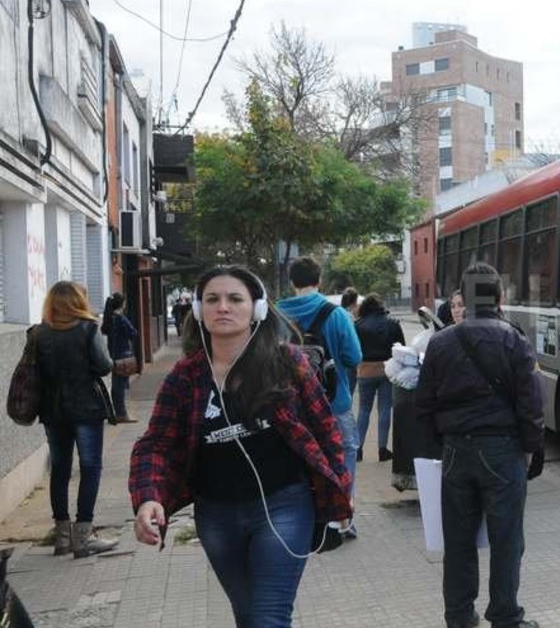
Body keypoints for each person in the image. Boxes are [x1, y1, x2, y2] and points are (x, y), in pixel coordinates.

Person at [128, 265, 351, 628]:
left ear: (257, 310)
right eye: (212, 300)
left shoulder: (287, 364)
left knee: (268, 617)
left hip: (285, 506)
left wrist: (341, 489)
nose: (223, 307)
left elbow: (326, 430)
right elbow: (156, 444)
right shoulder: (185, 378)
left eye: (235, 299)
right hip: (217, 515)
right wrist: (149, 497)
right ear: (199, 311)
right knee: (248, 617)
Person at [414, 263, 544, 628]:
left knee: (457, 541)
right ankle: (505, 616)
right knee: (507, 541)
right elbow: (531, 405)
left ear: (463, 300)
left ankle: (458, 616)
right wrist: (531, 450)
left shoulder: (440, 343)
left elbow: (423, 406)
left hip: (456, 452)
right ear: (500, 297)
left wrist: (445, 444)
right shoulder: (514, 339)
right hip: (503, 452)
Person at [32, 281, 118, 558]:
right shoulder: (88, 328)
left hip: (52, 410)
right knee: (90, 467)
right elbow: (104, 365)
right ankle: (84, 536)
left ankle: (62, 537)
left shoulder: (38, 333)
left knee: (60, 469)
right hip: (86, 407)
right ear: (77, 302)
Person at [277, 257, 362, 538]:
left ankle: (301, 518)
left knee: (297, 457)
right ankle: (341, 518)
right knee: (345, 451)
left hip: (290, 404)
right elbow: (354, 356)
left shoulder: (276, 315)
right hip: (334, 400)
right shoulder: (336, 314)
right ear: (319, 280)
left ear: (292, 282)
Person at [355, 293, 406, 463]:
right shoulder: (392, 324)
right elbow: (402, 348)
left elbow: (353, 349)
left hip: (365, 371)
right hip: (387, 370)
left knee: (363, 410)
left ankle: (358, 450)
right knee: (384, 410)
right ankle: (382, 450)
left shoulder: (358, 325)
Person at [102, 292, 140, 423]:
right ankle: (122, 414)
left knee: (116, 385)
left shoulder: (109, 318)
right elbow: (133, 333)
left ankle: (118, 412)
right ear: (121, 304)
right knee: (120, 386)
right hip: (123, 356)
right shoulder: (120, 319)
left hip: (113, 356)